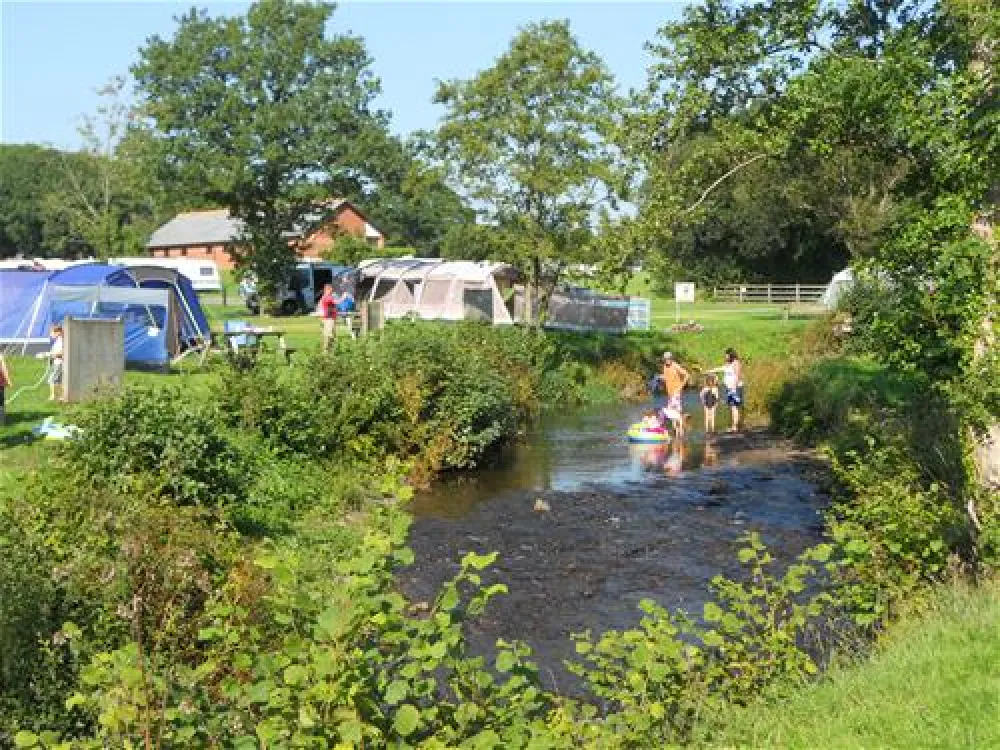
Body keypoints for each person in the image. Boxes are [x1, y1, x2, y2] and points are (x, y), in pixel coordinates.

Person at [708, 348, 744, 432]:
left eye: (726, 355)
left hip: (735, 388)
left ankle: (735, 427)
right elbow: (720, 369)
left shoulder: (736, 363)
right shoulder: (728, 364)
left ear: (730, 354)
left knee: (735, 407)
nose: (725, 356)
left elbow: (737, 376)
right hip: (730, 389)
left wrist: (734, 388)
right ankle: (734, 426)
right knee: (732, 407)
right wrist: (709, 371)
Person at [660, 351, 690, 436]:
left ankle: (681, 435)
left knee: (676, 415)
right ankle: (677, 434)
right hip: (670, 395)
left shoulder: (675, 365)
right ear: (664, 359)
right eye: (666, 359)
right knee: (672, 415)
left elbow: (687, 375)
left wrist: (680, 387)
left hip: (676, 394)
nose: (667, 360)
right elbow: (666, 378)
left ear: (671, 358)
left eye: (669, 358)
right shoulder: (664, 367)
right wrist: (661, 378)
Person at [44, 323, 64, 401]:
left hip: (59, 362)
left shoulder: (62, 340)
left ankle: (53, 396)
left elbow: (63, 352)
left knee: (52, 379)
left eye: (52, 332)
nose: (50, 334)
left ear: (58, 332)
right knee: (58, 380)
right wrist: (48, 355)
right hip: (56, 362)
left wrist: (52, 355)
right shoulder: (58, 340)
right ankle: (60, 396)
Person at [317, 283, 338, 353]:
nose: (332, 290)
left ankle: (329, 350)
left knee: (330, 335)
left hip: (328, 318)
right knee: (329, 335)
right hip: (329, 318)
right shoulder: (328, 297)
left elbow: (319, 305)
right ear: (327, 290)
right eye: (331, 289)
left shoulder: (324, 297)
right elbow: (336, 302)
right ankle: (326, 351)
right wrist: (344, 298)